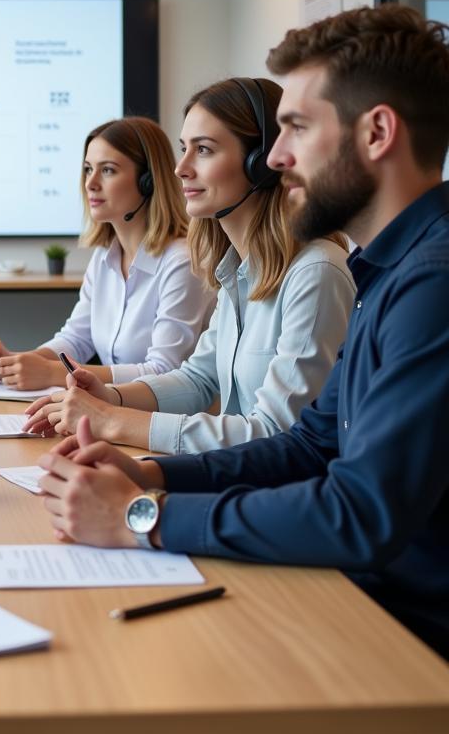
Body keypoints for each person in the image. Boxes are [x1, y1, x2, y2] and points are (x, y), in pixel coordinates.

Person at [36, 4, 449, 734]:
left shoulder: (430, 285)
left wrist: (138, 519)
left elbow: (359, 513)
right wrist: (147, 474)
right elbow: (306, 448)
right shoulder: (386, 274)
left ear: (376, 134)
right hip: (356, 596)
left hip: (410, 643)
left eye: (295, 128)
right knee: (74, 718)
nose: (280, 157)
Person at [24, 77, 355, 454]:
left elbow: (275, 434)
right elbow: (198, 379)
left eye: (204, 150)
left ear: (261, 163)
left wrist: (113, 421)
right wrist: (110, 398)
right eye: (184, 148)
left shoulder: (314, 273)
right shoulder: (238, 271)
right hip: (237, 478)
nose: (181, 168)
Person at [0, 117, 213, 391]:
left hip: (166, 422)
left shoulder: (181, 262)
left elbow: (164, 370)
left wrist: (52, 373)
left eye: (108, 170)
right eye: (88, 169)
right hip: (120, 413)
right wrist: (17, 362)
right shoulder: (104, 257)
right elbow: (77, 338)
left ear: (148, 182)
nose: (91, 183)